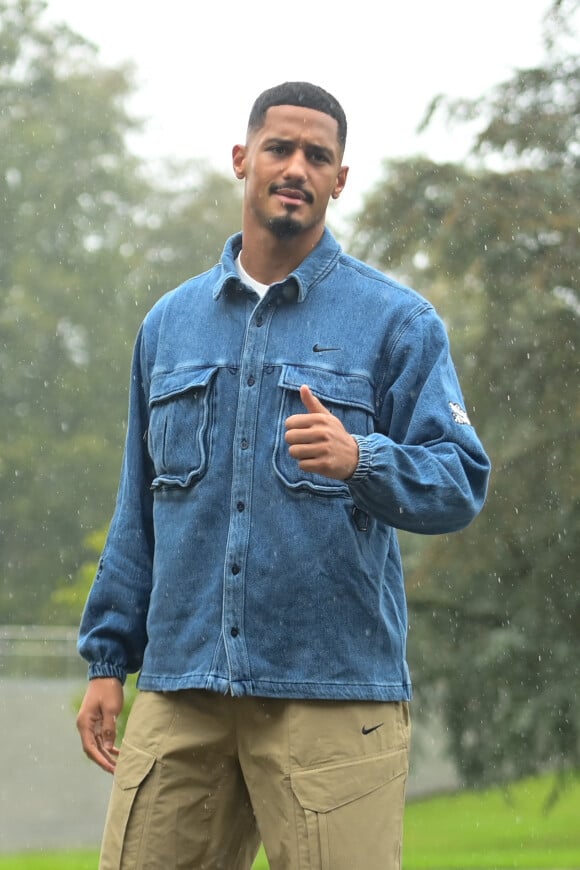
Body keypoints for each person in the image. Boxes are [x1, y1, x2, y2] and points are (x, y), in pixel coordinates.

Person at [77, 81, 491, 870]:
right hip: (183, 689)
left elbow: (459, 479)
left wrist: (361, 458)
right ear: (243, 159)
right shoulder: (169, 324)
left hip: (331, 698)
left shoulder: (398, 323)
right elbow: (139, 510)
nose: (296, 167)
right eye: (280, 148)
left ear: (341, 179)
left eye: (318, 156)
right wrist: (107, 660)